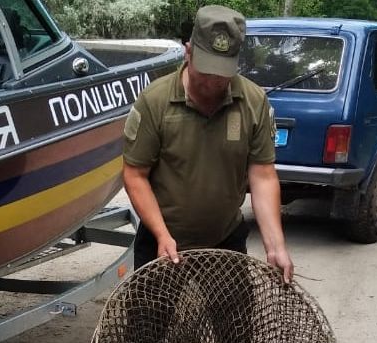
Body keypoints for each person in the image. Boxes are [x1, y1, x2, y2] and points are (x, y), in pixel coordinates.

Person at [122, 5, 294, 283]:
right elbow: (134, 175)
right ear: (188, 51)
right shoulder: (154, 101)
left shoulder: (254, 101)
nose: (214, 82)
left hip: (225, 240)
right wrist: (162, 235)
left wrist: (276, 246)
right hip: (162, 240)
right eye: (207, 70)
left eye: (222, 73)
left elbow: (263, 176)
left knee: (235, 326)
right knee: (149, 326)